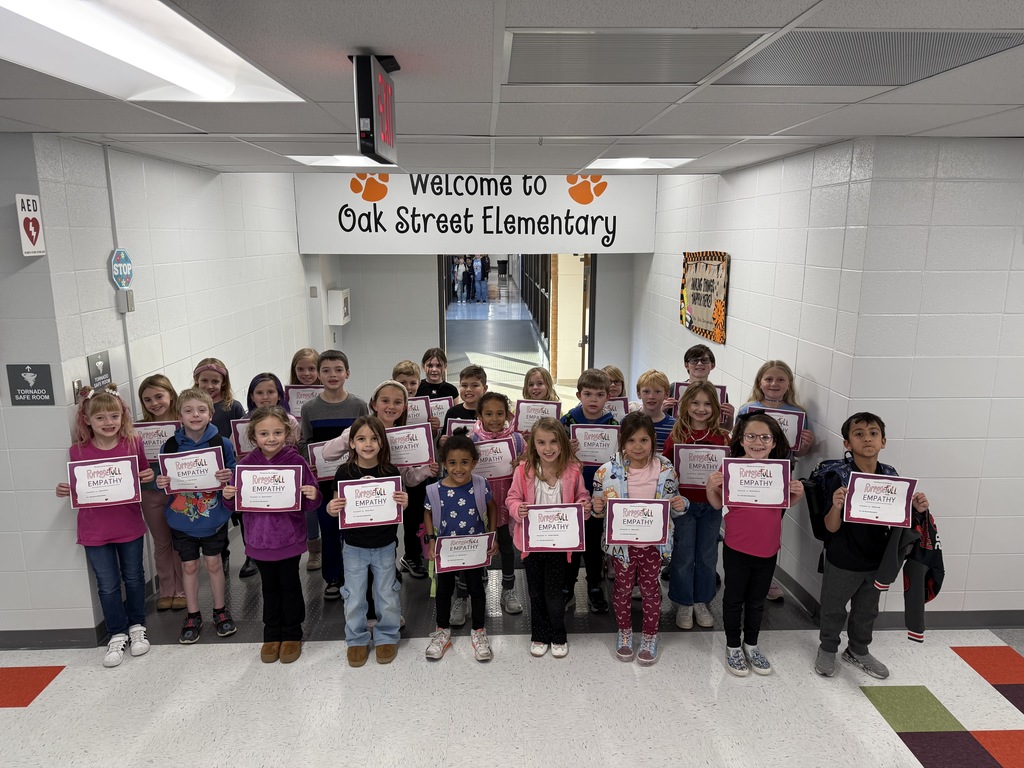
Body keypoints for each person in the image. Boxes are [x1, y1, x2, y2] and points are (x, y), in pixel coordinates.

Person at [814, 412, 929, 681]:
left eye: (873, 433)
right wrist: (836, 506)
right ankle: (828, 648)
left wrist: (916, 508)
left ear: (883, 441)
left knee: (867, 610)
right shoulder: (840, 477)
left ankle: (858, 650)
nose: (867, 439)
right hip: (843, 558)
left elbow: (901, 522)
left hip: (877, 559)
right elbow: (830, 527)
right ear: (847, 443)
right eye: (859, 434)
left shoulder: (891, 476)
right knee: (833, 608)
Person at [55, 385, 152, 668]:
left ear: (123, 417)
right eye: (100, 418)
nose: (108, 422)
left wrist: (146, 476)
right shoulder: (78, 451)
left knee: (134, 577)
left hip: (128, 524)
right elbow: (80, 487)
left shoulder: (133, 443)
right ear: (87, 420)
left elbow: (142, 475)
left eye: (114, 416)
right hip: (94, 530)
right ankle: (117, 633)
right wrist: (66, 489)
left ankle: (137, 626)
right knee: (107, 585)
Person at [707, 413, 804, 677]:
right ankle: (733, 646)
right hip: (737, 546)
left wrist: (798, 494)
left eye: (764, 437)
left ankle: (751, 644)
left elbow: (783, 506)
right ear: (741, 439)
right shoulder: (731, 467)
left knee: (757, 600)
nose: (757, 442)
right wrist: (710, 486)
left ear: (774, 442)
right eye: (751, 436)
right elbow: (716, 503)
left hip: (768, 548)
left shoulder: (779, 471)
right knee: (734, 599)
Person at [222, 406, 321, 664]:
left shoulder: (296, 462)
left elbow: (312, 500)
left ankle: (292, 633)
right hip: (259, 540)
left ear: (287, 433)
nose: (271, 438)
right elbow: (235, 506)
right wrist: (228, 497)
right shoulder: (245, 465)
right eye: (264, 433)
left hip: (289, 538)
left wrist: (313, 495)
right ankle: (272, 632)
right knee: (269, 587)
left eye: (277, 432)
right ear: (253, 436)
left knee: (289, 585)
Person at [593, 413, 686, 666]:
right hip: (622, 547)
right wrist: (597, 507)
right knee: (622, 589)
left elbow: (674, 505)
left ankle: (649, 636)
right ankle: (624, 632)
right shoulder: (606, 472)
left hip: (653, 546)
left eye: (644, 440)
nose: (637, 446)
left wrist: (681, 504)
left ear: (653, 439)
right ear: (622, 442)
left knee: (650, 590)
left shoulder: (665, 470)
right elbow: (598, 508)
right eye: (631, 440)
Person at [321, 379, 437, 580]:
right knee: (358, 560)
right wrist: (353, 435)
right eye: (385, 401)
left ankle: (387, 575)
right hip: (358, 510)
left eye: (397, 402)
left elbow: (407, 479)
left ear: (404, 407)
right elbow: (327, 454)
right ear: (374, 404)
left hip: (385, 510)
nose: (391, 406)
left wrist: (425, 471)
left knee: (387, 549)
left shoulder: (402, 436)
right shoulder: (359, 430)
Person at [156, 388, 238, 645]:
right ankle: (193, 615)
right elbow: (164, 479)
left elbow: (235, 472)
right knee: (189, 566)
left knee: (214, 564)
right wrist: (161, 481)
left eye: (201, 410)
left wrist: (228, 476)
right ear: (179, 415)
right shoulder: (170, 445)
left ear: (211, 414)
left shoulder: (221, 443)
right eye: (188, 410)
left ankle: (220, 610)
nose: (195, 415)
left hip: (214, 518)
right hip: (182, 520)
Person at [326, 416, 408, 667]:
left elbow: (398, 504)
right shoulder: (344, 472)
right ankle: (356, 638)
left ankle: (387, 635)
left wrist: (404, 502)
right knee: (354, 595)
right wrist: (331, 508)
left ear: (382, 443)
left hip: (385, 544)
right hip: (353, 546)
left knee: (387, 593)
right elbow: (335, 505)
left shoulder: (390, 472)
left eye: (374, 438)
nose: (368, 444)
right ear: (351, 443)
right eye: (361, 439)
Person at [507, 417, 591, 657]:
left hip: (560, 545)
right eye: (541, 442)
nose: (548, 448)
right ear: (533, 445)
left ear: (562, 443)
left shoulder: (573, 471)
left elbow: (582, 496)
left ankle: (558, 633)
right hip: (532, 544)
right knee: (535, 592)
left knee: (554, 592)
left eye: (554, 442)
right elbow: (512, 498)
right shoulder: (523, 470)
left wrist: (583, 506)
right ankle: (539, 634)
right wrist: (518, 508)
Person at [737, 360, 816, 602]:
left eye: (780, 379)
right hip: (748, 478)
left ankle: (766, 577)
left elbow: (799, 452)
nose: (774, 383)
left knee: (770, 529)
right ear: (759, 382)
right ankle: (741, 575)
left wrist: (806, 445)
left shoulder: (798, 413)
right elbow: (736, 445)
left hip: (779, 479)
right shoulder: (748, 410)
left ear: (789, 384)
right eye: (768, 379)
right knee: (745, 527)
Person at [297, 350, 369, 600]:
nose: (332, 375)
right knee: (328, 528)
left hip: (353, 479)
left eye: (338, 369)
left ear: (347, 373)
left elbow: (366, 438)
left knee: (352, 529)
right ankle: (333, 577)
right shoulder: (309, 408)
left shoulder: (359, 405)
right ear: (319, 374)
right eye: (326, 370)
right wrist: (310, 461)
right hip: (324, 481)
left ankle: (356, 576)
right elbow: (305, 442)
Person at [423, 431, 498, 662]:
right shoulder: (435, 490)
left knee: (476, 589)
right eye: (452, 463)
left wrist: (492, 536)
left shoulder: (480, 484)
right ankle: (442, 631)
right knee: (444, 590)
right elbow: (427, 513)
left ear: (474, 462)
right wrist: (431, 540)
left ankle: (479, 630)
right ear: (444, 464)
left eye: (464, 462)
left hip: (474, 549)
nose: (458, 468)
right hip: (446, 550)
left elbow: (493, 507)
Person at [663, 382, 729, 630]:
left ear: (715, 407)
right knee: (684, 553)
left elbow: (729, 470)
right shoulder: (677, 435)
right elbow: (666, 470)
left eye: (707, 404)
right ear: (685, 405)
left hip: (712, 505)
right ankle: (684, 602)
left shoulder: (722, 437)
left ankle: (702, 600)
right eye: (695, 403)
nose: (701, 409)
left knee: (707, 554)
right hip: (684, 505)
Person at [560, 368, 617, 613]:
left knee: (594, 543)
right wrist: (565, 448)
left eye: (600, 394)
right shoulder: (567, 421)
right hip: (571, 493)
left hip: (599, 496)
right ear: (578, 395)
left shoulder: (613, 425)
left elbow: (619, 461)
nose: (594, 399)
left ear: (608, 397)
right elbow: (551, 454)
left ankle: (594, 585)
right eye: (588, 394)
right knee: (571, 542)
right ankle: (567, 586)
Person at [192, 358, 249, 576]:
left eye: (215, 381)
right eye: (204, 381)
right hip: (207, 474)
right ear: (196, 381)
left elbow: (243, 436)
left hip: (232, 468)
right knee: (217, 512)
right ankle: (222, 553)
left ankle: (250, 555)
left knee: (242, 513)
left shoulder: (232, 407)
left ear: (223, 382)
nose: (209, 386)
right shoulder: (193, 408)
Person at [471, 392, 526, 614]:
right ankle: (468, 592)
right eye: (489, 414)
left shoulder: (517, 440)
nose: (494, 419)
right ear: (480, 415)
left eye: (499, 414)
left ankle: (508, 589)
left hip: (506, 503)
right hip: (478, 505)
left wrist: (522, 463)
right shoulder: (472, 440)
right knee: (476, 547)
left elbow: (530, 464)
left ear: (507, 414)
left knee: (506, 546)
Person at [136, 375, 186, 611]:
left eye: (159, 396)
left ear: (171, 395)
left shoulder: (184, 424)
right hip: (150, 493)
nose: (154, 403)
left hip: (178, 491)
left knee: (179, 541)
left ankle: (183, 589)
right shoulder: (137, 431)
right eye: (147, 400)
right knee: (162, 542)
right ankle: (167, 589)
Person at [682, 344, 734, 427]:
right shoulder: (674, 388)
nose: (699, 363)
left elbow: (724, 429)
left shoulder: (721, 394)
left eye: (704, 360)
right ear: (686, 365)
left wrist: (730, 418)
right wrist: (663, 409)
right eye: (694, 360)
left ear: (712, 365)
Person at [245, 373, 300, 447]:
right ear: (252, 397)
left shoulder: (290, 421)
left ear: (279, 395)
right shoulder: (243, 424)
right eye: (259, 393)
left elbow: (302, 450)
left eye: (270, 392)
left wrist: (294, 442)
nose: (265, 397)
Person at [634, 369, 675, 452]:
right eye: (646, 391)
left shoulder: (674, 426)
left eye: (657, 392)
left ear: (667, 394)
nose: (651, 396)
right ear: (639, 394)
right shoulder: (627, 422)